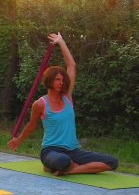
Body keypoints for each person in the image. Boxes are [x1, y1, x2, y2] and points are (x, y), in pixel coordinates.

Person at [8, 33, 119, 175]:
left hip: (74, 151)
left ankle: (70, 170)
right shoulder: (40, 104)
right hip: (51, 151)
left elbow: (71, 65)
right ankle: (64, 166)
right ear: (49, 81)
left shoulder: (67, 97)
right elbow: (31, 125)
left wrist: (61, 42)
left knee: (112, 162)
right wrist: (18, 141)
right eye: (57, 80)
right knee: (62, 161)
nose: (61, 82)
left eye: (62, 79)